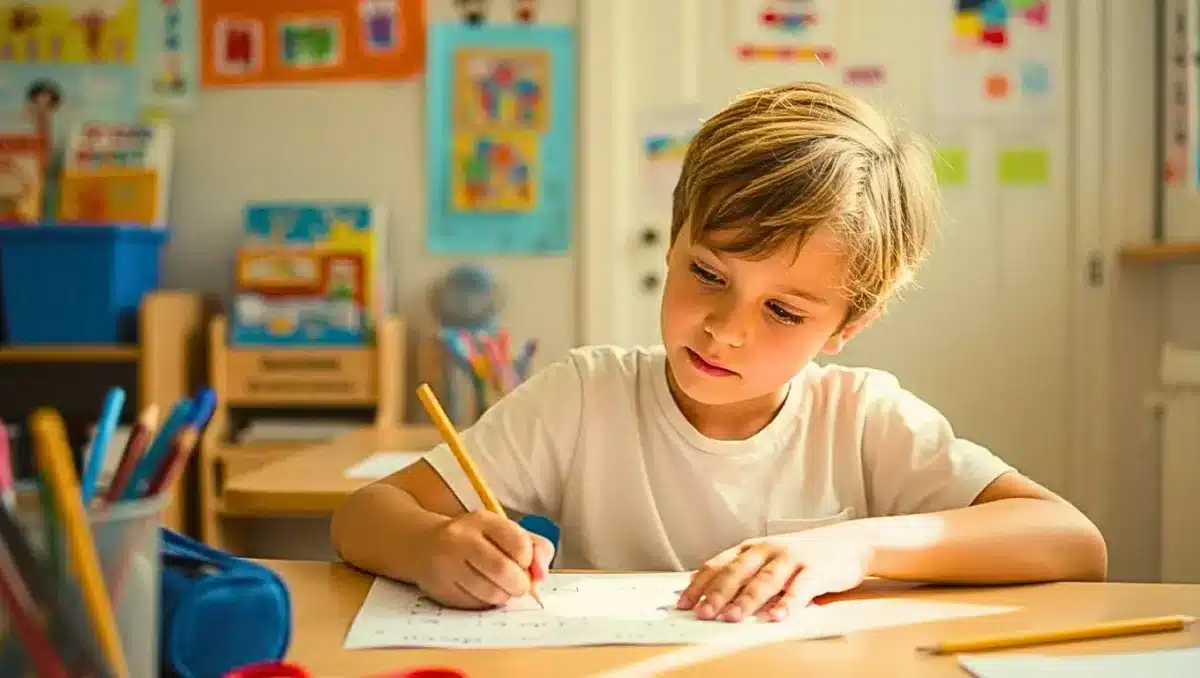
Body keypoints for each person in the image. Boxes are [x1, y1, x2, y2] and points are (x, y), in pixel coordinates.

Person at [331, 82, 1107, 624]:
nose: (725, 328)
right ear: (671, 245)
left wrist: (855, 548)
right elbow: (365, 515)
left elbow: (1071, 540)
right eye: (707, 273)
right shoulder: (583, 398)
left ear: (844, 328)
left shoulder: (862, 417)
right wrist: (433, 545)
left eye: (782, 310)